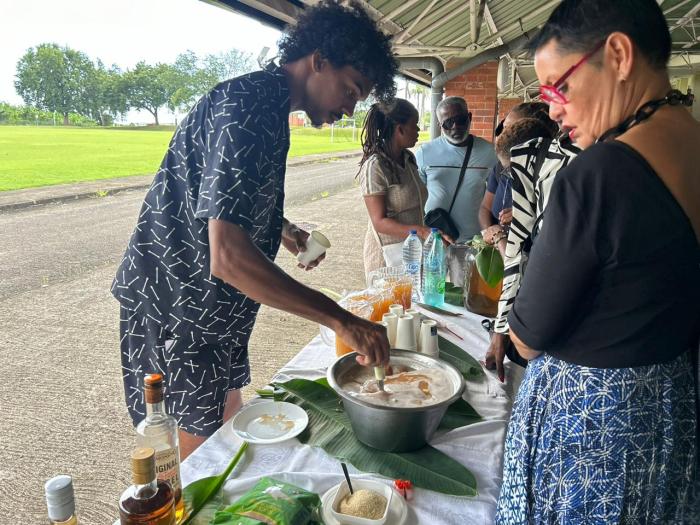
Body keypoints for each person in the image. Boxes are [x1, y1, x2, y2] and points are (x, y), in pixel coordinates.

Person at [112, 0, 396, 459]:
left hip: (214, 318)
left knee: (234, 436)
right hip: (180, 312)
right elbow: (227, 257)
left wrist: (279, 226)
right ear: (318, 60)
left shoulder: (268, 106)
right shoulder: (250, 105)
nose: (349, 107)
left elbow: (221, 195)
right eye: (350, 89)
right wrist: (342, 319)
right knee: (200, 465)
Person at [496, 1, 700, 523]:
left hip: (594, 436)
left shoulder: (600, 173)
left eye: (556, 87)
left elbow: (528, 331)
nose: (553, 109)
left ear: (617, 54)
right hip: (669, 415)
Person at [484, 129, 580, 381]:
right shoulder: (557, 168)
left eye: (510, 173)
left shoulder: (555, 180)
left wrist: (503, 334)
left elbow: (517, 258)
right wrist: (499, 332)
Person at [357, 99, 437, 276]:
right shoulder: (375, 166)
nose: (418, 131)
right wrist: (422, 231)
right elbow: (379, 222)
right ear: (399, 129)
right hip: (388, 256)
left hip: (413, 250)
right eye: (414, 125)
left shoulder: (408, 159)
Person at [415, 97, 497, 243]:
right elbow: (416, 197)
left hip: (474, 239)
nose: (455, 127)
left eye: (460, 120)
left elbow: (496, 192)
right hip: (435, 237)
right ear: (440, 125)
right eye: (448, 123)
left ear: (469, 117)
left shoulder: (489, 152)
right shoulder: (424, 153)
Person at [478, 102, 555, 249]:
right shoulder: (500, 168)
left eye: (511, 129)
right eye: (503, 127)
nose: (502, 135)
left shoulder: (551, 178)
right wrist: (490, 232)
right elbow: (485, 208)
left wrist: (527, 215)